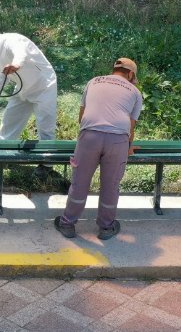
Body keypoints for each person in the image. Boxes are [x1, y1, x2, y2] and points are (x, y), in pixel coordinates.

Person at [54, 58, 143, 240]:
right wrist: (128, 147)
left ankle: (67, 224)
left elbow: (82, 115)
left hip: (89, 136)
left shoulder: (93, 81)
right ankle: (106, 228)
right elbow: (130, 125)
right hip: (117, 140)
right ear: (131, 74)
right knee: (111, 186)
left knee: (80, 182)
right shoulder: (134, 91)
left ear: (114, 70)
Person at [0, 25, 58, 179]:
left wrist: (17, 65)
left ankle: (46, 165)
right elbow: (1, 74)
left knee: (45, 126)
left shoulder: (12, 39)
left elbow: (21, 53)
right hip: (22, 88)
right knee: (9, 121)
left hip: (44, 85)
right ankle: (1, 155)